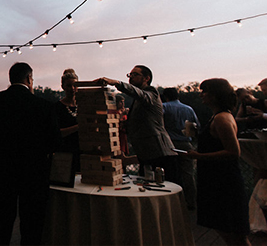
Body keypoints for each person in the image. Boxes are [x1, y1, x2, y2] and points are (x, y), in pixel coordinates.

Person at [0, 62, 60, 245]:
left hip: (0, 176)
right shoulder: (44, 106)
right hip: (33, 177)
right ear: (29, 79)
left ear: (10, 78)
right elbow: (54, 142)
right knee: (31, 228)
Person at [181, 78, 250, 246]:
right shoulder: (217, 117)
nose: (201, 94)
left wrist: (198, 156)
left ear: (215, 95)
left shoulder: (222, 119)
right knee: (230, 234)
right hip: (217, 181)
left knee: (235, 236)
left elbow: (234, 152)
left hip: (224, 183)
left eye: (205, 91)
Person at [96, 65, 178, 182]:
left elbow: (140, 94)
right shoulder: (138, 100)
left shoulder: (151, 93)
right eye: (130, 75)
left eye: (135, 74)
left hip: (160, 154)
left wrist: (116, 83)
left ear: (147, 78)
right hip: (146, 155)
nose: (131, 77)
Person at [162, 87, 200, 210]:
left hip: (169, 144)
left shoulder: (164, 107)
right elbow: (196, 126)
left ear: (165, 96)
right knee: (188, 174)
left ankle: (172, 203)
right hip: (185, 144)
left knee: (170, 173)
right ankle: (191, 202)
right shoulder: (188, 108)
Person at [53, 68, 80, 172]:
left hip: (82, 153)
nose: (72, 88)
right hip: (65, 154)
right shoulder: (57, 108)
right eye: (69, 85)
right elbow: (56, 133)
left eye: (75, 85)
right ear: (63, 87)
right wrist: (77, 127)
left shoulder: (83, 106)